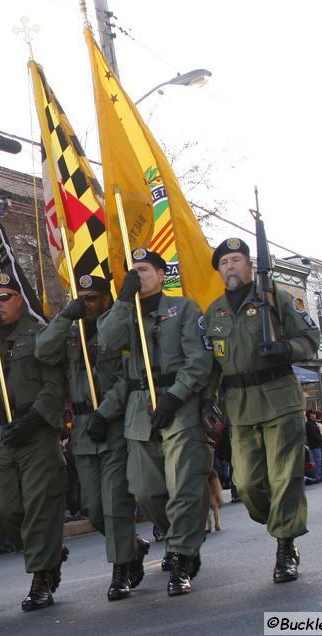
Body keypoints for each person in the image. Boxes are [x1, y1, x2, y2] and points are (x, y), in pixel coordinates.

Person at [203, 238, 319, 584]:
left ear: (249, 266)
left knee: (285, 476)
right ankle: (281, 524)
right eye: (224, 263)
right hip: (238, 407)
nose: (230, 267)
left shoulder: (273, 300)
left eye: (236, 260)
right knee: (247, 483)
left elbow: (309, 339)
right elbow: (209, 365)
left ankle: (285, 544)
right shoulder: (214, 313)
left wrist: (285, 349)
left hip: (279, 399)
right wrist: (204, 403)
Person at [100, 252, 214, 596]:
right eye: (133, 272)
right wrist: (123, 298)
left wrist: (176, 396)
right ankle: (182, 533)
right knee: (146, 489)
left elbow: (199, 360)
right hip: (139, 408)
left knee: (183, 485)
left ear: (162, 275)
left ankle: (181, 556)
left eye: (145, 270)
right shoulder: (125, 312)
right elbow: (106, 341)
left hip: (178, 404)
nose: (139, 276)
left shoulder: (184, 309)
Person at [35, 273, 150, 601]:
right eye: (81, 298)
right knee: (93, 507)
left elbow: (129, 377)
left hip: (112, 423)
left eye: (92, 298)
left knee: (114, 503)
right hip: (84, 428)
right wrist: (64, 316)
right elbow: (43, 351)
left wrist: (107, 411)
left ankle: (120, 570)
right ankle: (132, 546)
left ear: (107, 299)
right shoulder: (71, 334)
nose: (87, 304)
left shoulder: (123, 326)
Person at [0, 272, 68, 612]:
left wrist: (34, 419)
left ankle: (42, 578)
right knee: (5, 510)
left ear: (19, 300)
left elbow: (53, 384)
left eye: (5, 297)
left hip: (32, 430)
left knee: (39, 506)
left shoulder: (38, 335)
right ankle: (47, 552)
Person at [304, 411, 322, 482]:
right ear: (309, 415)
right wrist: (320, 440)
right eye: (312, 414)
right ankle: (317, 476)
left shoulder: (313, 423)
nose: (314, 415)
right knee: (317, 460)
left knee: (320, 460)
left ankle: (319, 475)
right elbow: (313, 435)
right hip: (315, 444)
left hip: (318, 443)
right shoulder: (309, 424)